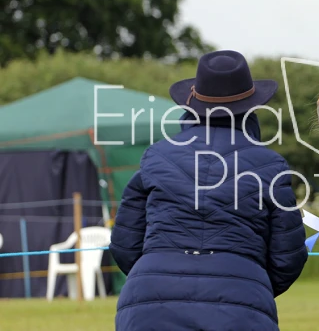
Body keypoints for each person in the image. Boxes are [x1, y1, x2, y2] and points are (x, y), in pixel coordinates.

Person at [110, 50, 308, 331]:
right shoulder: (271, 166)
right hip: (242, 305)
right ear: (251, 109)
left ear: (192, 104)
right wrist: (250, 282)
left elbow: (124, 244)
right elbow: (288, 257)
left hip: (147, 303)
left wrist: (158, 274)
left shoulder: (155, 156)